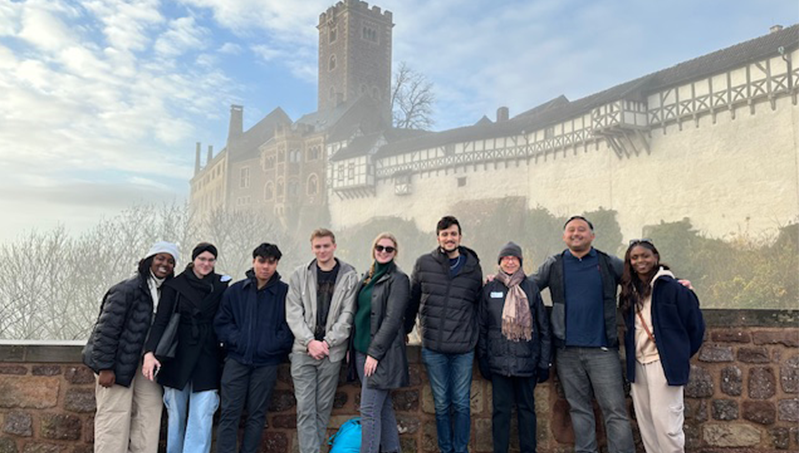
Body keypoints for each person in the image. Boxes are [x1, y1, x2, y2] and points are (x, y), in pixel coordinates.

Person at [530, 216, 635, 453]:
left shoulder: (608, 263)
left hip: (603, 350)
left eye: (581, 230)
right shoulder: (555, 264)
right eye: (571, 230)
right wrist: (499, 282)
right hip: (567, 350)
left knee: (615, 411)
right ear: (564, 236)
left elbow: (639, 276)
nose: (576, 233)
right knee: (579, 408)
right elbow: (530, 285)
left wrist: (670, 280)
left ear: (592, 236)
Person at [83, 241, 178, 453]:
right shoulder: (126, 289)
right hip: (117, 364)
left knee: (149, 416)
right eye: (160, 258)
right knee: (114, 419)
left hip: (146, 364)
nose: (165, 264)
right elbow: (106, 331)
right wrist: (105, 367)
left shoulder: (167, 294)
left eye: (171, 261)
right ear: (148, 261)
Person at [404, 215, 483, 453]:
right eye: (445, 234)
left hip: (463, 348)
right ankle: (446, 449)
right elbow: (412, 301)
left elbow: (478, 305)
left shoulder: (472, 267)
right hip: (433, 347)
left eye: (453, 234)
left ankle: (461, 449)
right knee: (441, 404)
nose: (449, 238)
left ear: (460, 236)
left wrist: (476, 337)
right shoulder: (423, 264)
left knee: (461, 403)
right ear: (438, 237)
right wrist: (405, 331)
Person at [142, 242, 230, 453]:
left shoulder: (221, 285)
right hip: (177, 353)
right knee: (176, 414)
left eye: (210, 260)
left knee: (203, 413)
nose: (206, 264)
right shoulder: (175, 286)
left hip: (208, 353)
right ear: (193, 260)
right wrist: (149, 352)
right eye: (202, 259)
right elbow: (161, 321)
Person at [619, 240, 704, 453]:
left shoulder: (674, 289)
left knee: (667, 424)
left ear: (655, 257)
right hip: (638, 364)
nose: (641, 261)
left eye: (645, 256)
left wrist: (677, 353)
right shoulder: (630, 292)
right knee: (647, 424)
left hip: (663, 364)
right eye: (635, 257)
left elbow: (696, 327)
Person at [214, 243, 294, 453]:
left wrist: (272, 345)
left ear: (276, 264)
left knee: (257, 416)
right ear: (253, 261)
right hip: (236, 360)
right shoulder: (236, 291)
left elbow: (290, 327)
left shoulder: (285, 293)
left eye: (270, 262)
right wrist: (237, 340)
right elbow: (222, 323)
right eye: (261, 261)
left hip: (267, 363)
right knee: (229, 413)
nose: (265, 267)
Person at [286, 228, 359, 453]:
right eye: (318, 246)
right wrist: (310, 342)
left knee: (322, 408)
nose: (322, 250)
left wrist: (327, 343)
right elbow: (293, 313)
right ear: (312, 248)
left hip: (332, 352)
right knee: (306, 409)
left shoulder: (349, 275)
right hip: (303, 351)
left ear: (334, 246)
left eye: (326, 245)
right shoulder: (299, 274)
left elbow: (348, 315)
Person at [478, 242, 551, 453]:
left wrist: (544, 361)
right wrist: (482, 357)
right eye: (506, 258)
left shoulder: (531, 288)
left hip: (527, 362)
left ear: (520, 262)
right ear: (500, 262)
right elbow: (482, 326)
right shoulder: (489, 289)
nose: (510, 262)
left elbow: (543, 328)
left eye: (514, 258)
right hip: (499, 363)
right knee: (500, 412)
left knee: (527, 411)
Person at [351, 233, 410, 453]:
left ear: (395, 253)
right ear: (373, 248)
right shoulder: (368, 276)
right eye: (380, 247)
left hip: (380, 356)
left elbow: (392, 320)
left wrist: (374, 354)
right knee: (383, 409)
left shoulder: (399, 279)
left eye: (389, 249)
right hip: (360, 351)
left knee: (368, 412)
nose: (383, 252)